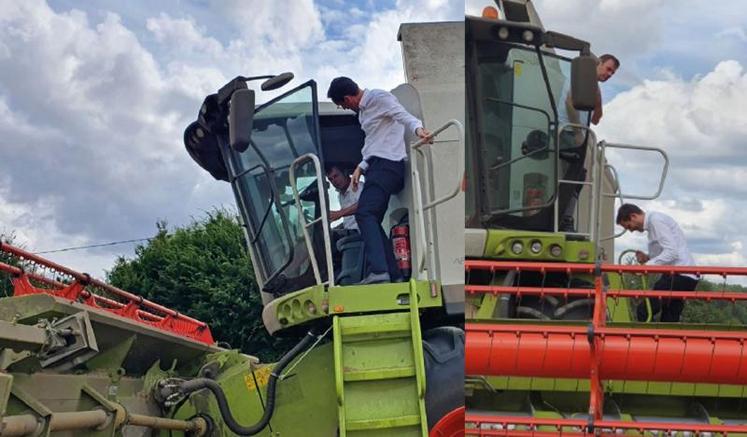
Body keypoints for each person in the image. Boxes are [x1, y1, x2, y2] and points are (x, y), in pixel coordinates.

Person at [327, 76, 431, 284]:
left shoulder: (379, 97)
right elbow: (374, 142)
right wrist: (360, 167)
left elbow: (403, 116)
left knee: (365, 213)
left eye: (342, 105)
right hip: (376, 166)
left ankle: (380, 271)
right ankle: (391, 273)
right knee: (370, 218)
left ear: (347, 98)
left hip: (388, 166)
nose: (345, 109)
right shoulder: (364, 113)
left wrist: (419, 130)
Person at [558, 54, 620, 231]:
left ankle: (565, 218)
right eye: (608, 69)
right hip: (568, 131)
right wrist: (577, 131)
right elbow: (569, 102)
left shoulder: (592, 87)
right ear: (598, 63)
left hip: (577, 132)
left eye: (612, 74)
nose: (609, 75)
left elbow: (596, 119)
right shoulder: (580, 80)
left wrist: (598, 97)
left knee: (577, 176)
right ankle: (565, 219)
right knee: (574, 175)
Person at [616, 203, 699, 322]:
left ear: (633, 216)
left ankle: (648, 339)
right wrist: (648, 258)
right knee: (669, 319)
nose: (631, 230)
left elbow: (671, 252)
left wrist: (645, 267)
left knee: (644, 311)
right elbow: (669, 252)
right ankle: (666, 339)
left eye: (629, 226)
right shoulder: (654, 222)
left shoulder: (655, 221)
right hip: (685, 276)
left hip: (678, 276)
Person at [325, 165, 362, 279]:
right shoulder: (340, 195)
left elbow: (363, 205)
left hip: (359, 231)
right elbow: (348, 220)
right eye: (330, 179)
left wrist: (339, 213)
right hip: (348, 230)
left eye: (336, 176)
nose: (334, 181)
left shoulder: (359, 187)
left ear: (345, 173)